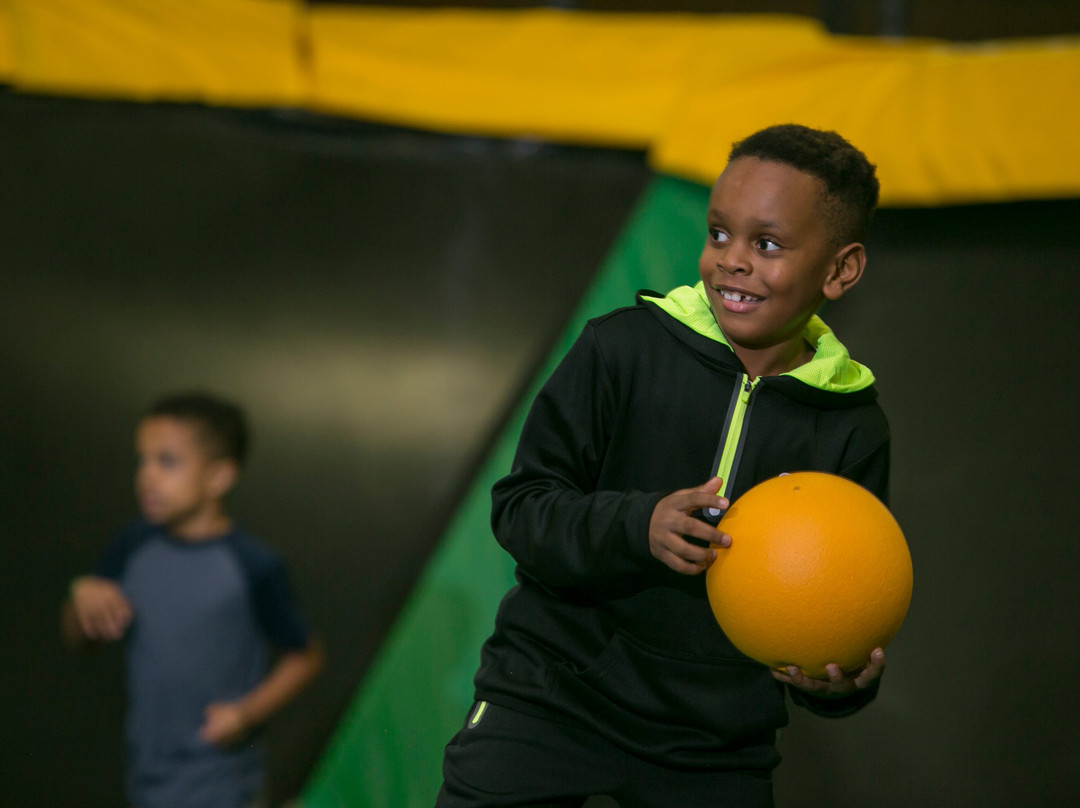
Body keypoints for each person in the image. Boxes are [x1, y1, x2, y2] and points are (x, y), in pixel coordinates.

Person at [436, 123, 891, 808]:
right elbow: (522, 509)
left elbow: (844, 608)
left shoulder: (853, 426)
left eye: (767, 244)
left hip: (713, 745)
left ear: (840, 270)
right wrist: (638, 525)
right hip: (550, 701)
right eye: (719, 234)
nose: (732, 261)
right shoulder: (621, 349)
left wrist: (840, 681)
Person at [62, 392, 324, 808]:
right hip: (146, 777)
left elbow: (305, 657)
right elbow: (81, 639)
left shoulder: (253, 565)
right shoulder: (132, 545)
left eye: (167, 461)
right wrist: (81, 599)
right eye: (142, 460)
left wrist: (245, 714)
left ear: (218, 476)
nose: (147, 476)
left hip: (222, 783)